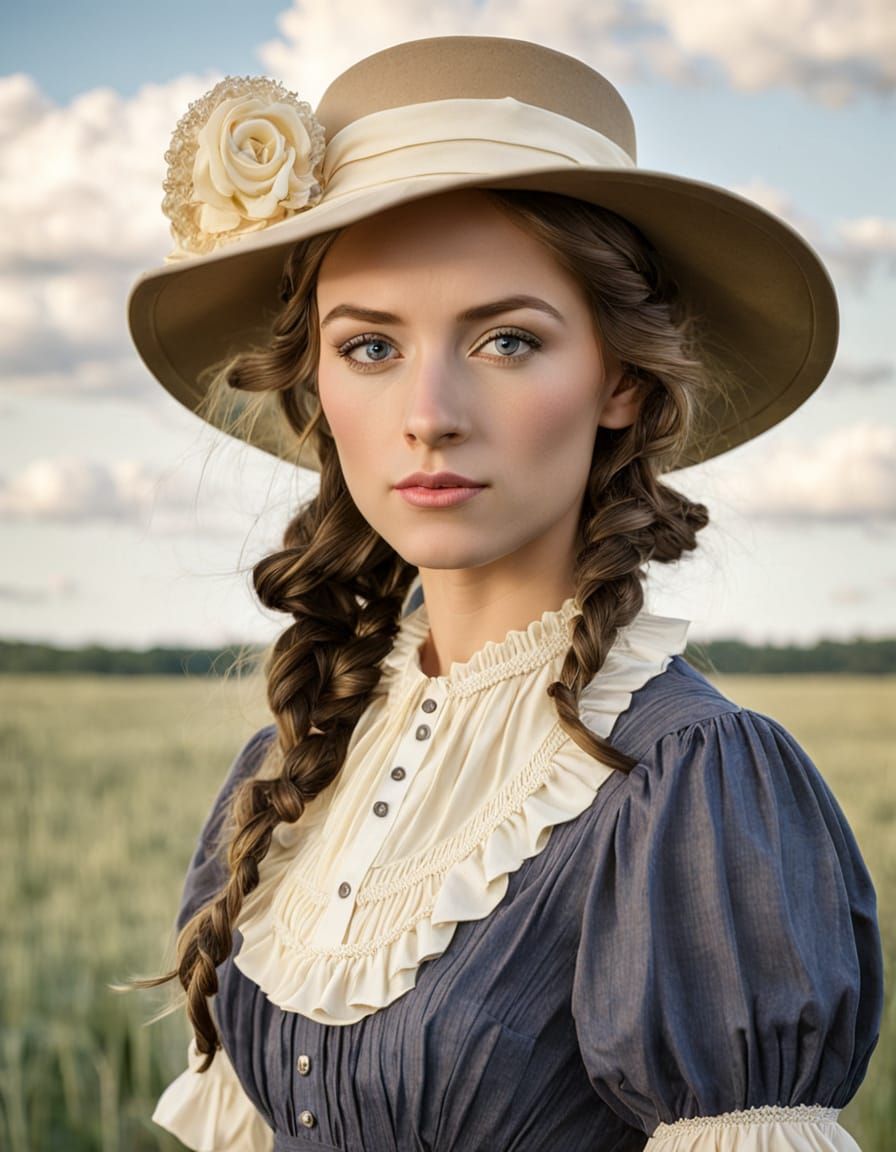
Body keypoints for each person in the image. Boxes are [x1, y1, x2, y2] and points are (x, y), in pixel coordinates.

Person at [124, 35, 883, 1152]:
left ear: (617, 379)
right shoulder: (294, 769)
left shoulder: (689, 781)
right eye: (371, 346)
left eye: (505, 338)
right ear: (318, 387)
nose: (428, 409)